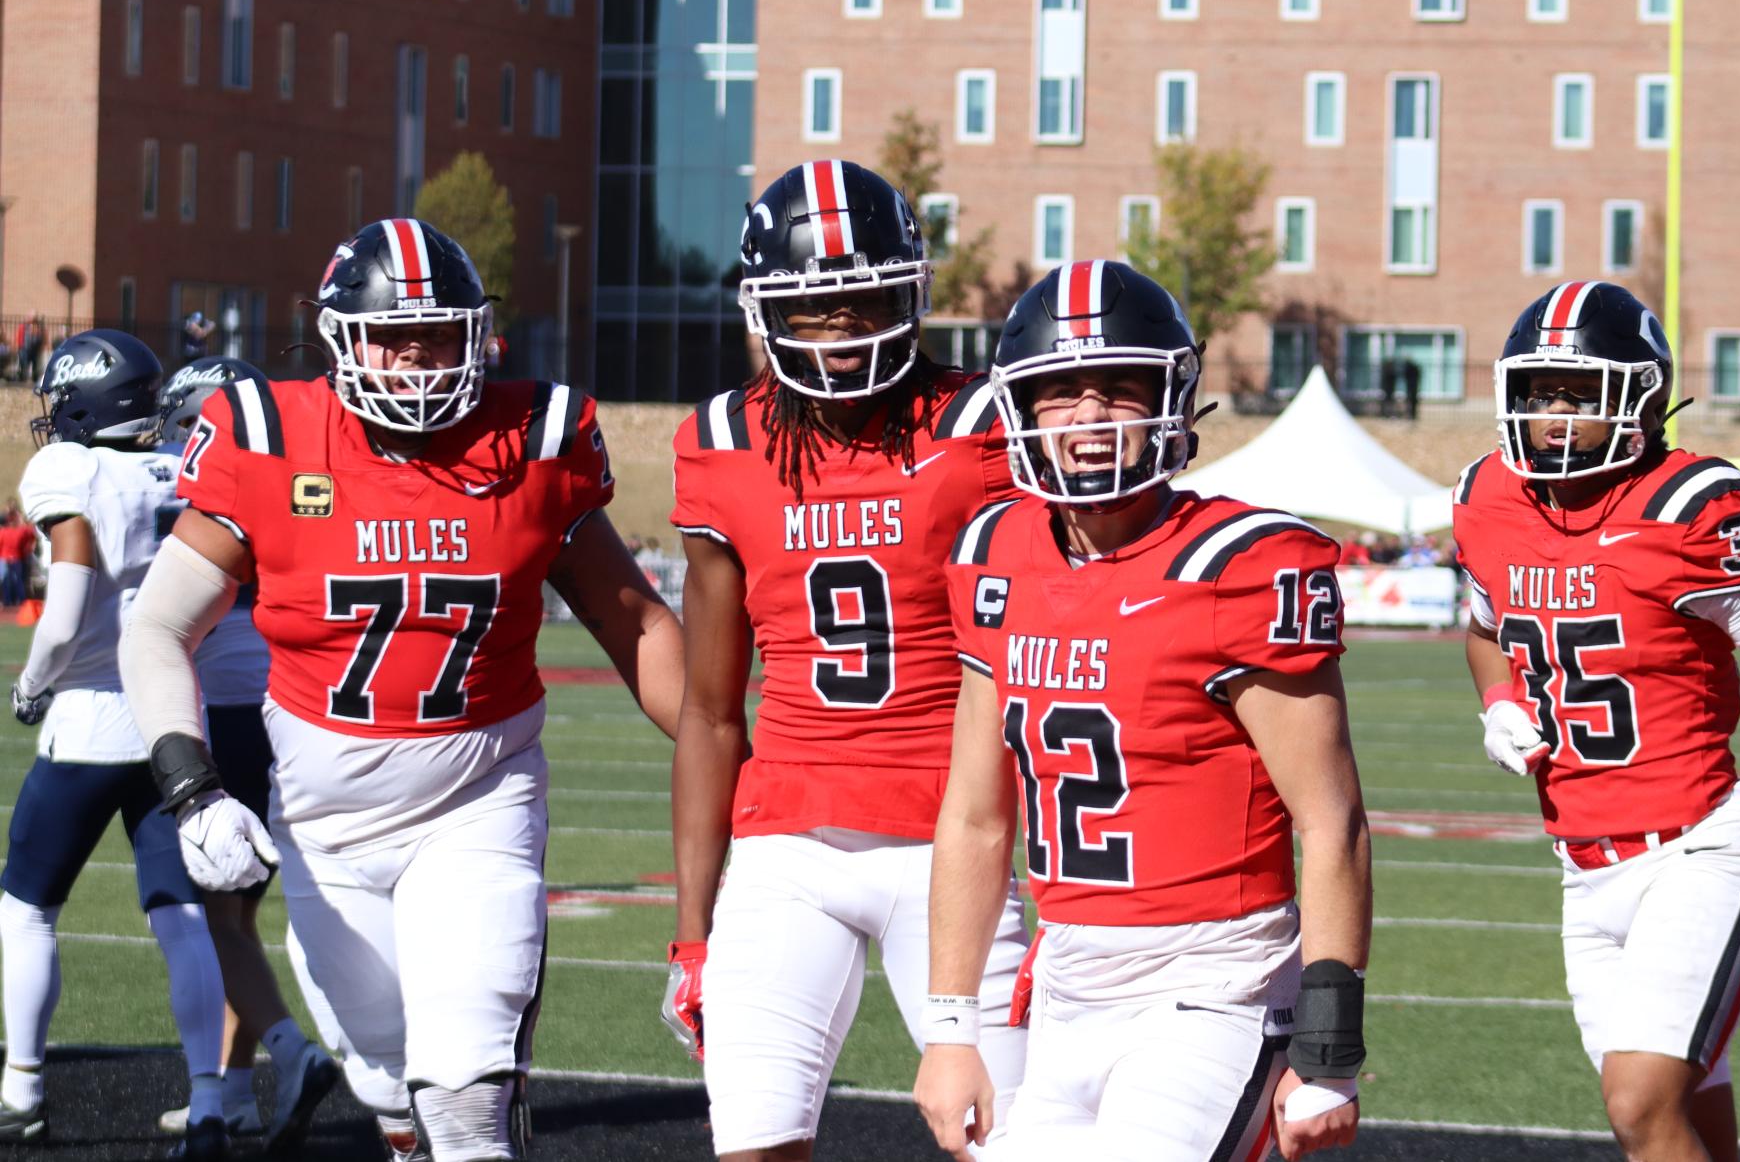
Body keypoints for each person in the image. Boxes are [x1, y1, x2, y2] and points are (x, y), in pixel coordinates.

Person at [119, 218, 685, 1162]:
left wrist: (745, 763)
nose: (417, 357)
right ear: (341, 338)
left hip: (478, 797)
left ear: (480, 334)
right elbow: (157, 625)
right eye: (391, 335)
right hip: (324, 822)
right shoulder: (269, 434)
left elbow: (637, 625)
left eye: (438, 333)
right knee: (386, 1081)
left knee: (464, 1094)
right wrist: (192, 789)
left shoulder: (536, 438)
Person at [914, 261, 1373, 1162]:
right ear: (1020, 409)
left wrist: (1329, 1051)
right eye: (1059, 394)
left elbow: (1331, 821)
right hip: (1067, 983)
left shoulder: (1241, 563)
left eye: (1120, 389)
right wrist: (949, 1024)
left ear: (1172, 397)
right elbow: (973, 815)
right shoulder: (993, 553)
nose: (1088, 419)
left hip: (1216, 983)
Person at [1453, 280, 1740, 1162]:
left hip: (1700, 847)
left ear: (1643, 399)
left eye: (1583, 395)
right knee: (1684, 1112)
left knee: (1637, 1105)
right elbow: (1482, 627)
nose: (1556, 417)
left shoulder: (1691, 509)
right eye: (1540, 393)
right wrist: (1497, 701)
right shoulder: (1487, 495)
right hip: (1581, 866)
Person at [668, 159, 1030, 1159]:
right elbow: (709, 711)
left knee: (1010, 1139)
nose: (843, 332)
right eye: (815, 308)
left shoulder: (980, 428)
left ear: (909, 291)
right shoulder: (722, 440)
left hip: (950, 842)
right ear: (763, 311)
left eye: (864, 299)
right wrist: (694, 929)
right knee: (752, 1140)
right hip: (785, 846)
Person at [1, 330, 232, 1156]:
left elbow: (64, 607)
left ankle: (22, 1088)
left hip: (93, 712)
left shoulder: (71, 469)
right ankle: (210, 1099)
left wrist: (31, 683)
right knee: (181, 915)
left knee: (26, 905)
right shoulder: (181, 461)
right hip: (175, 714)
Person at [147, 356, 343, 1149]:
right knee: (241, 918)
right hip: (287, 714)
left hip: (220, 718)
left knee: (214, 921)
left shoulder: (193, 499)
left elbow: (154, 622)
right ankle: (233, 1093)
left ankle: (286, 1055)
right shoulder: (294, 481)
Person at [0, 503, 33, 608]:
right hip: (10, 558)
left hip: (11, 558)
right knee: (10, 580)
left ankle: (14, 601)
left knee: (14, 580)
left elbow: (30, 534)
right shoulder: (7, 531)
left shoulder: (19, 531)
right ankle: (12, 601)